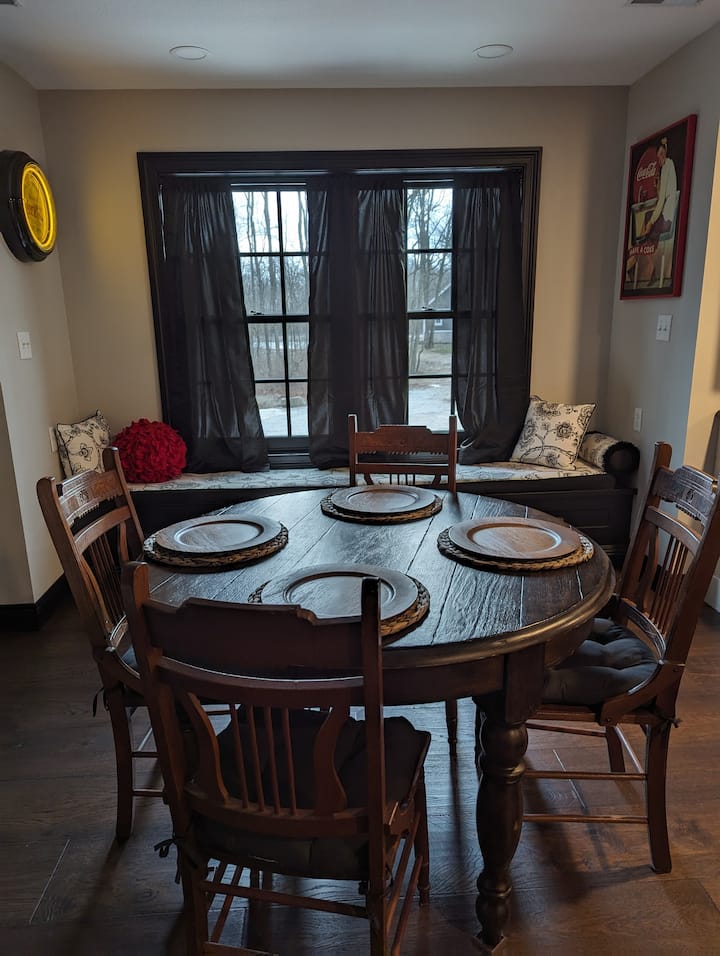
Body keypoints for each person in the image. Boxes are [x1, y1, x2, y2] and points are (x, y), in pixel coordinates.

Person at [641, 136, 677, 240]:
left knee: (648, 218)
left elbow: (661, 202)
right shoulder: (668, 166)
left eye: (661, 154)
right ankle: (643, 243)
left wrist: (650, 223)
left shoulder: (667, 166)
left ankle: (642, 245)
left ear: (665, 152)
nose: (660, 158)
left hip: (667, 220)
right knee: (648, 216)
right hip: (667, 216)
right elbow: (662, 197)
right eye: (659, 155)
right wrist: (658, 186)